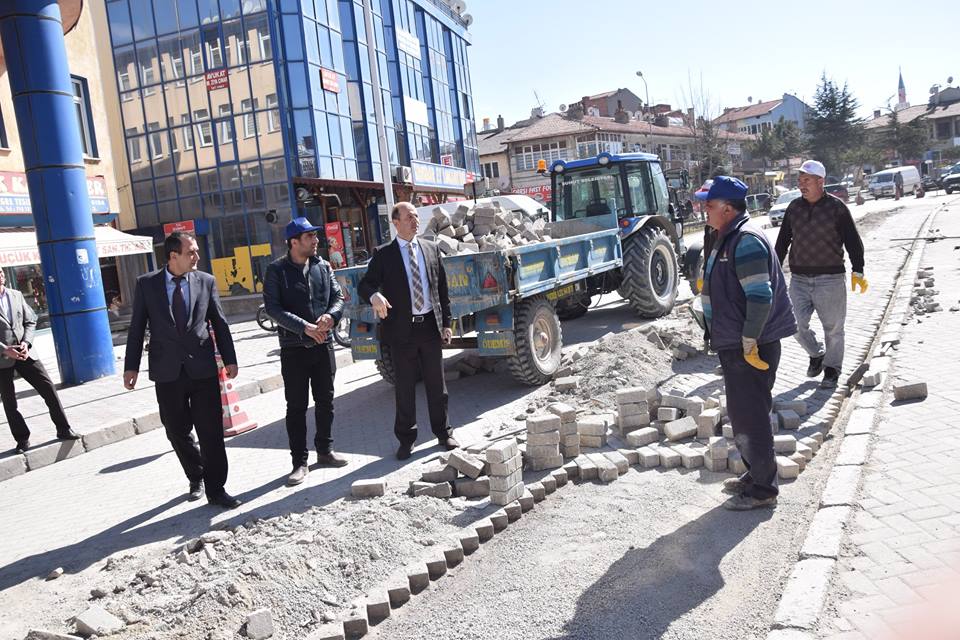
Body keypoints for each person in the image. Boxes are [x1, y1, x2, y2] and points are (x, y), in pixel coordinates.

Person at [698, 176, 797, 510]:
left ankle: (763, 491)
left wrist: (749, 340)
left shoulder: (746, 241)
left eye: (709, 205)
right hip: (738, 342)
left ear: (727, 208)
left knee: (750, 416)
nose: (704, 210)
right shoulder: (726, 237)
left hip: (750, 345)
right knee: (745, 413)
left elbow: (759, 296)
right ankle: (755, 474)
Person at [123, 232, 241, 509]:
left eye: (197, 251)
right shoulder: (147, 285)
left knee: (211, 431)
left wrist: (230, 358)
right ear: (173, 256)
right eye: (191, 252)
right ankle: (196, 474)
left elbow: (219, 323)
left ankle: (217, 489)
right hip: (167, 372)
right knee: (176, 430)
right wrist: (131, 366)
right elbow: (137, 327)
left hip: (202, 369)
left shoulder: (205, 282)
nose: (197, 257)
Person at [358, 202, 459, 460]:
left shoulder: (431, 248)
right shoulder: (383, 255)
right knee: (404, 389)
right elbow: (365, 285)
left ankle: (444, 432)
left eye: (416, 216)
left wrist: (446, 323)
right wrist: (375, 296)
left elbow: (442, 291)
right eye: (409, 217)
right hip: (401, 332)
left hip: (429, 327)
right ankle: (406, 439)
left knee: (438, 386)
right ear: (396, 222)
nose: (415, 220)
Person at [263, 217, 348, 486]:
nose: (316, 241)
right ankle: (299, 462)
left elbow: (338, 298)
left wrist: (330, 317)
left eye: (315, 235)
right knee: (296, 407)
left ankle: (324, 451)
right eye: (310, 237)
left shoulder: (322, 266)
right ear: (294, 242)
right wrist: (305, 327)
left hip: (323, 346)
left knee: (326, 401)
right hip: (294, 349)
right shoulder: (276, 271)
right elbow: (274, 309)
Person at [774, 160, 867, 389]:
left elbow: (853, 240)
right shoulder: (794, 208)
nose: (802, 185)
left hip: (831, 280)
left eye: (807, 180)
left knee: (834, 329)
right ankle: (816, 354)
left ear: (820, 182)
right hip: (799, 280)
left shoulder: (837, 208)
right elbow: (783, 241)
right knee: (792, 323)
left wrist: (858, 269)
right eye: (800, 181)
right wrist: (772, 269)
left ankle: (832, 369)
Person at [0, 269, 80, 453]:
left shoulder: (16, 295)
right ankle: (22, 439)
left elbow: (30, 320)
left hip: (26, 353)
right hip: (3, 359)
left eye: (1, 271)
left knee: (48, 389)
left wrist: (27, 343)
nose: (1, 275)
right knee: (9, 402)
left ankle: (64, 429)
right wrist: (5, 350)